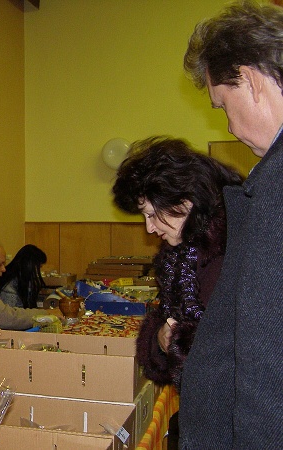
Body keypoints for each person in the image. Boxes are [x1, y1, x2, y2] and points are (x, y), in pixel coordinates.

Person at [179, 2, 283, 448]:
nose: (230, 126)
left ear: (251, 80)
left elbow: (266, 354)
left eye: (223, 105)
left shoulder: (277, 183)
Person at [112, 136, 242, 449]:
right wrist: (161, 338)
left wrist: (186, 342)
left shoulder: (234, 251)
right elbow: (165, 318)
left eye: (152, 214)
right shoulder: (178, 254)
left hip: (235, 423)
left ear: (184, 201)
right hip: (201, 415)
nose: (149, 228)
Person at [0, 244, 47, 309]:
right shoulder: (10, 288)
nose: (38, 271)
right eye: (39, 267)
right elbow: (11, 314)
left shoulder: (16, 278)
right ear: (30, 265)